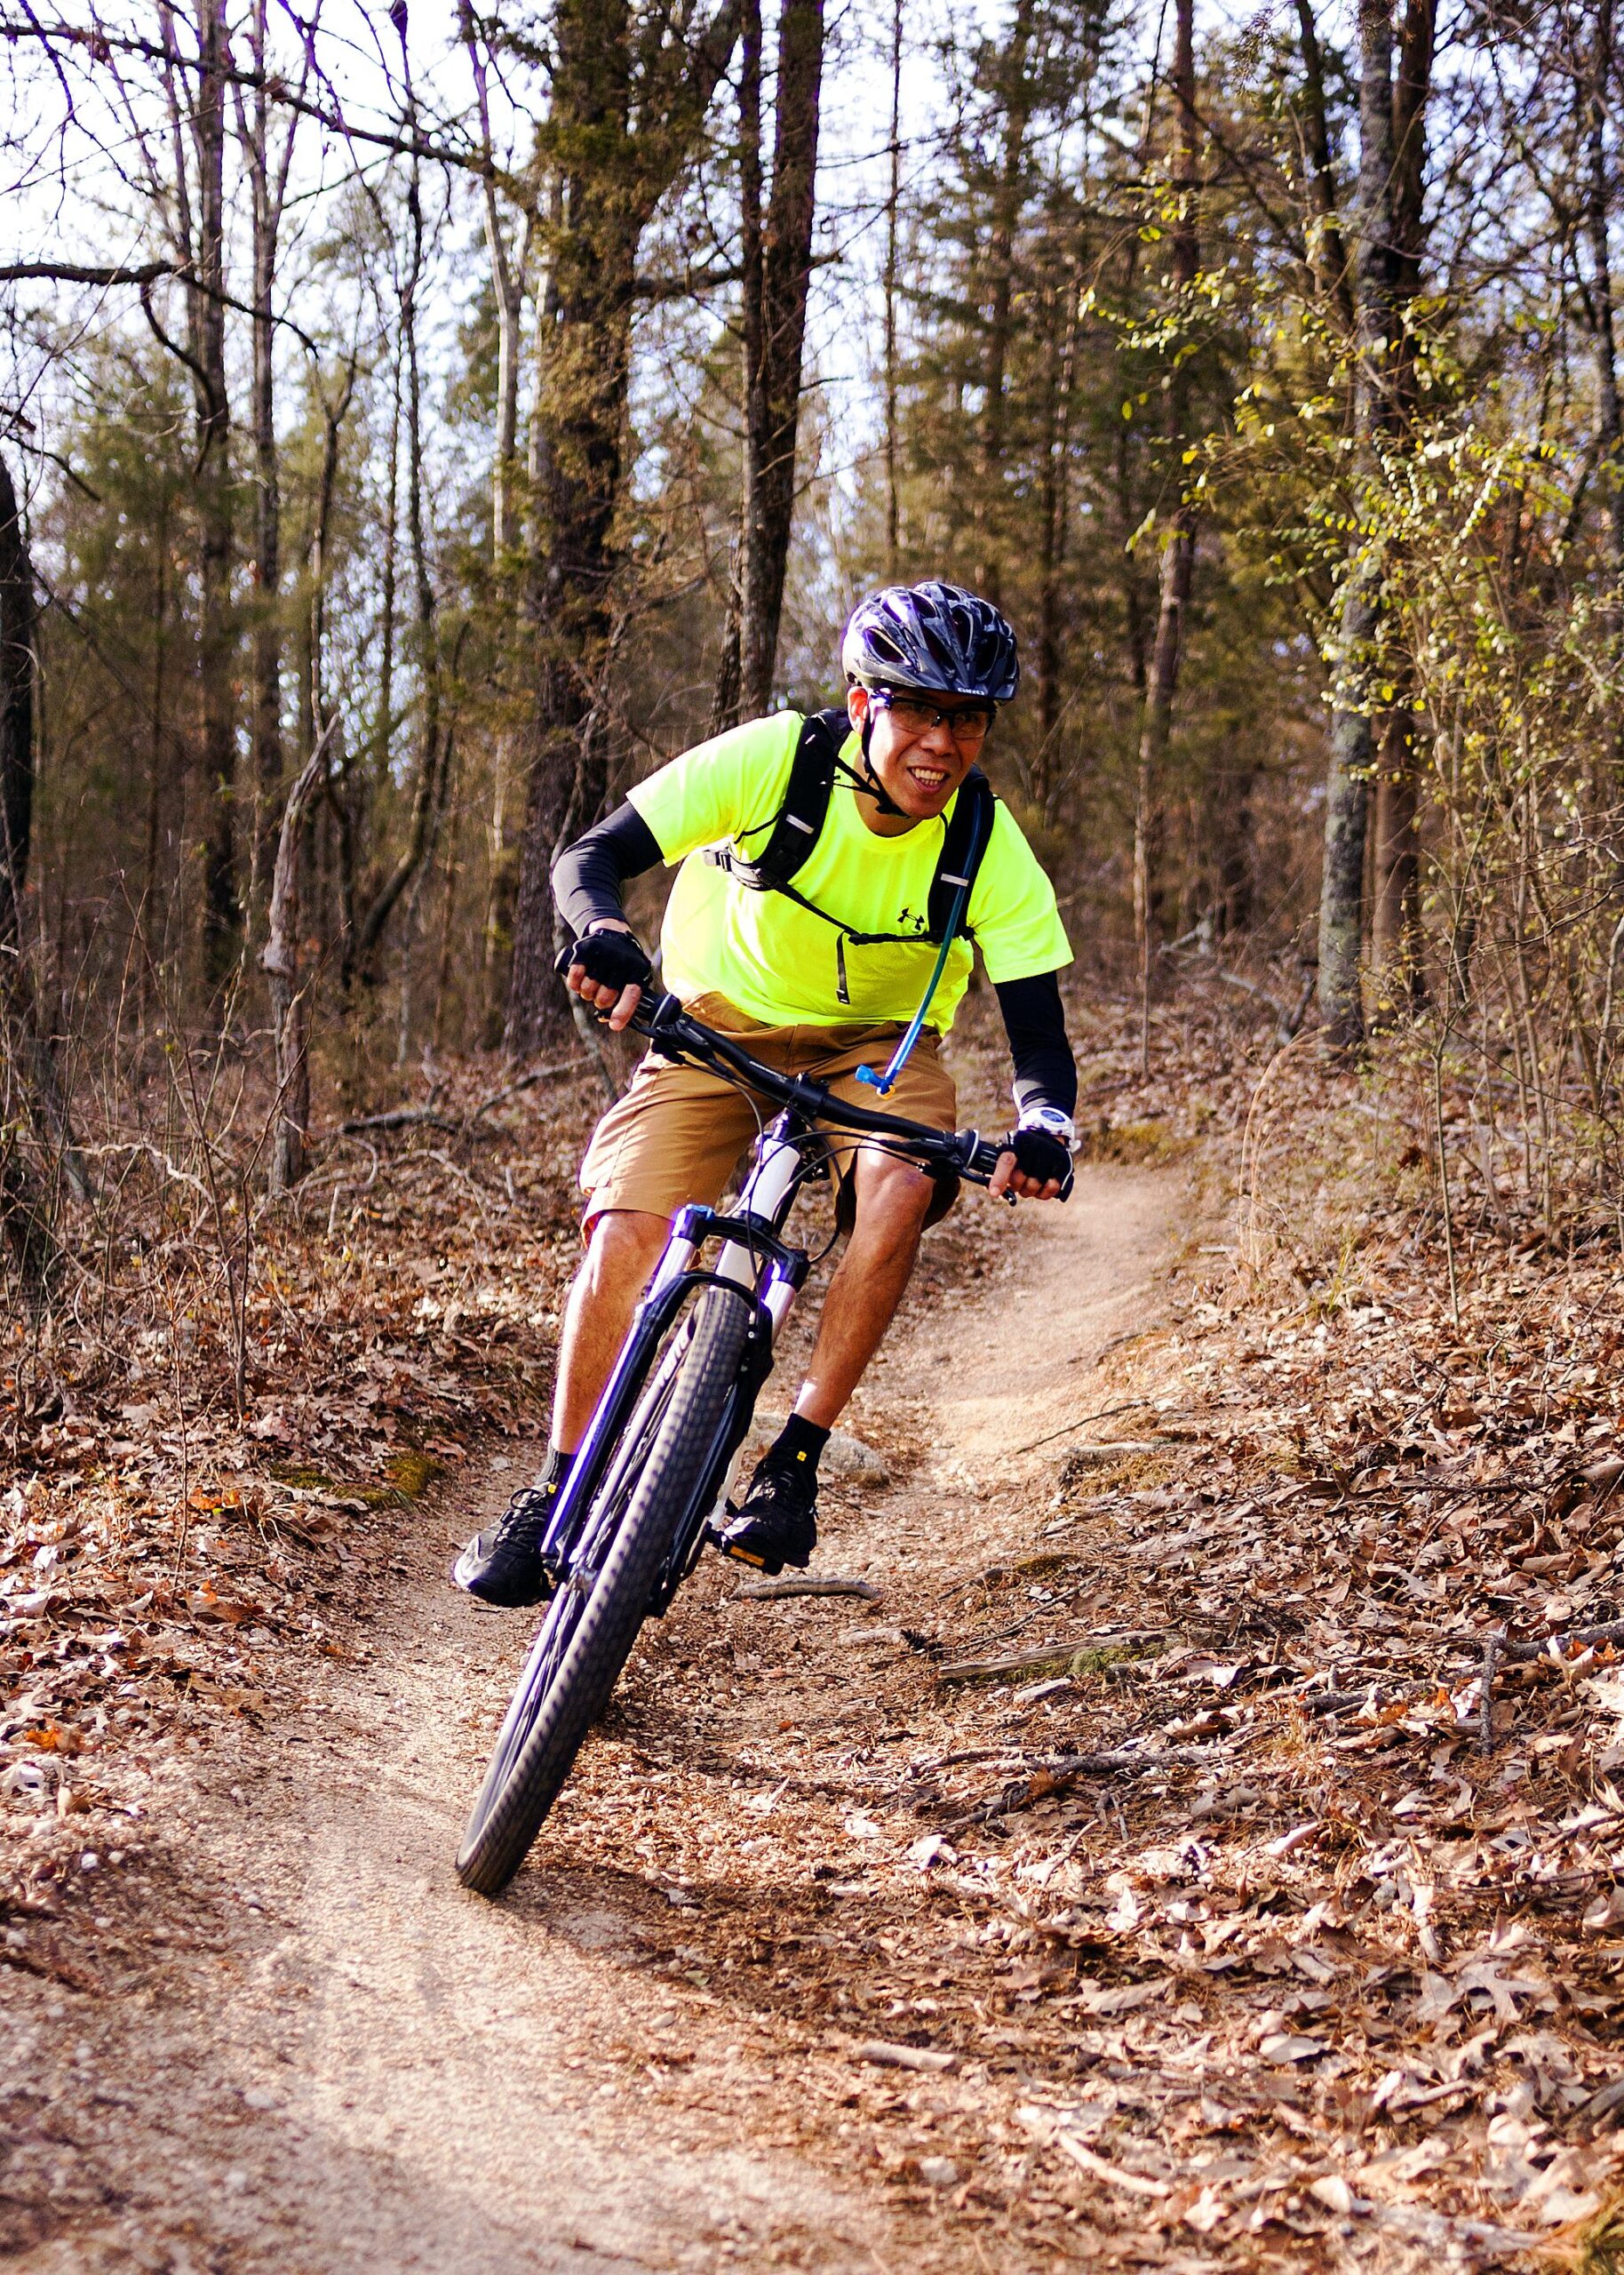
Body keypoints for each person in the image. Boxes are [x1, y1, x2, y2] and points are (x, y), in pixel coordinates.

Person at [453, 581, 1078, 1606]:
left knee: (903, 1180)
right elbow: (592, 857)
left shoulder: (984, 843)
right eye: (918, 708)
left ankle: (794, 1460)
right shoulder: (774, 760)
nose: (942, 743)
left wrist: (1044, 1124)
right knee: (626, 1228)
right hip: (717, 1024)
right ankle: (555, 1489)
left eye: (967, 719)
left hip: (878, 1049)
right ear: (862, 699)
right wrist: (605, 933)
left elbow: (1036, 1026)